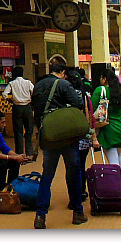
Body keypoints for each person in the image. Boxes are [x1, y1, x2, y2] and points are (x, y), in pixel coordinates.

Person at [31, 64, 87, 229]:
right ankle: (78, 212)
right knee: (74, 172)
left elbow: (35, 108)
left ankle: (40, 216)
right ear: (62, 73)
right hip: (66, 135)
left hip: (48, 135)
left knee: (47, 175)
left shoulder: (38, 85)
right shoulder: (62, 84)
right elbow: (78, 103)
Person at [92, 68, 121, 170]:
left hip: (108, 130)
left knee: (113, 161)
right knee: (118, 157)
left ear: (104, 79)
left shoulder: (100, 90)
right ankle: (120, 183)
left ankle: (117, 184)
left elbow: (92, 109)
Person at [66, 68, 98, 204]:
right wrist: (93, 136)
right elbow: (91, 117)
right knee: (81, 165)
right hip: (83, 136)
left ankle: (73, 197)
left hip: (68, 137)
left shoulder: (64, 97)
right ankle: (82, 191)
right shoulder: (86, 97)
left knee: (70, 168)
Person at [1, 66, 35, 159]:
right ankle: (29, 152)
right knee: (29, 130)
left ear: (14, 74)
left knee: (18, 131)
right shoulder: (28, 83)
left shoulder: (12, 83)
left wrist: (10, 99)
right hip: (27, 107)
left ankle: (20, 153)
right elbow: (34, 91)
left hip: (17, 108)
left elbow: (4, 94)